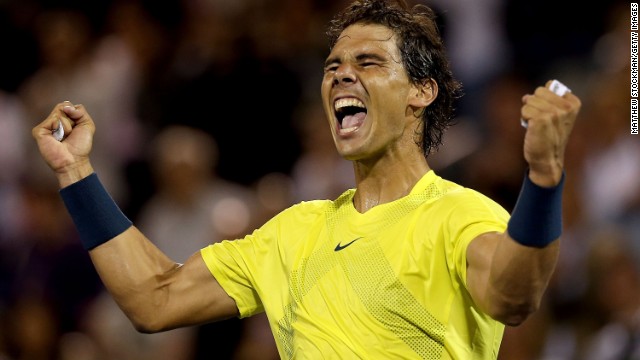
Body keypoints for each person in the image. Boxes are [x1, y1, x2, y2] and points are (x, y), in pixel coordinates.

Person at [31, 0, 581, 358]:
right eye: (333, 65)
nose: (342, 73)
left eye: (368, 62)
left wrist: (543, 178)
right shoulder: (293, 232)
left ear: (422, 91)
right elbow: (154, 299)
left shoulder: (460, 215)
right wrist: (76, 172)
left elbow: (513, 296)